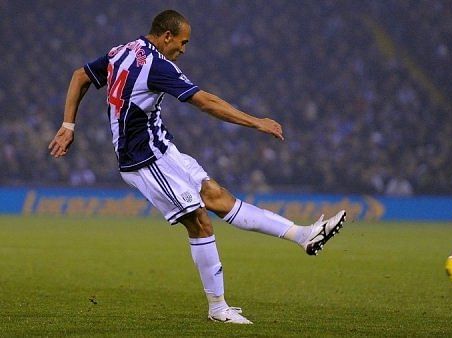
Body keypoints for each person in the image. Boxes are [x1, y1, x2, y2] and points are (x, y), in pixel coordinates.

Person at [48, 9, 346, 324]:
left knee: (216, 195)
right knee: (200, 222)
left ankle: (303, 235)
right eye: (182, 42)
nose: (184, 50)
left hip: (162, 148)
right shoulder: (158, 66)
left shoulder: (122, 51)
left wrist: (68, 125)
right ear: (166, 36)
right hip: (144, 160)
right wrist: (256, 122)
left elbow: (80, 75)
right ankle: (218, 308)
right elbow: (205, 102)